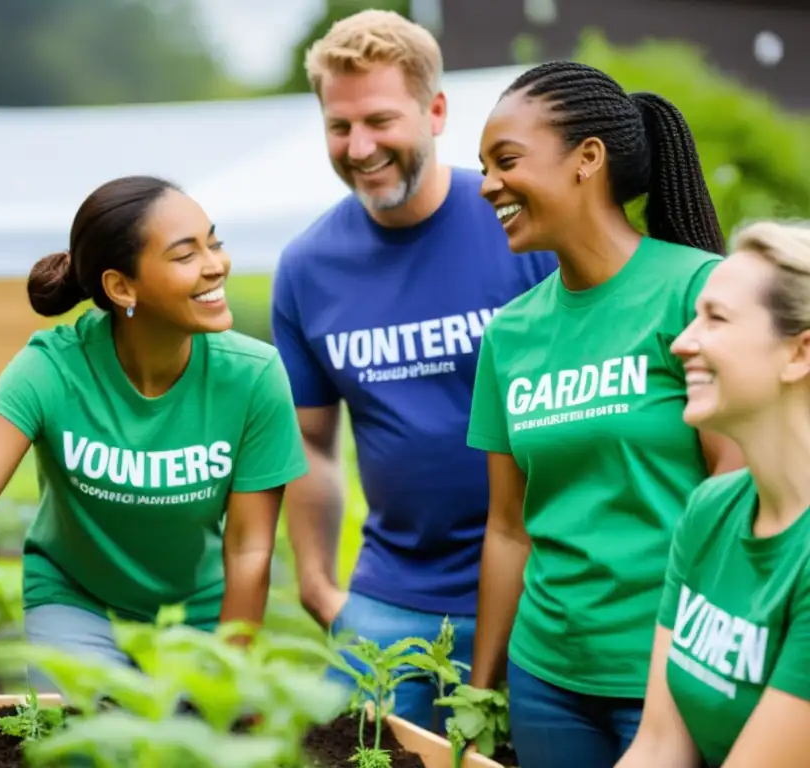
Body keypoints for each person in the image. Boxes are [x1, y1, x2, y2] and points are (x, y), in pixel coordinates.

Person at [0, 175, 309, 684]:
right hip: (76, 602)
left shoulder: (253, 376)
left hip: (198, 609)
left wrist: (233, 668)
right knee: (83, 748)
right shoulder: (52, 368)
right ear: (121, 286)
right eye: (185, 254)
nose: (216, 265)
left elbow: (248, 546)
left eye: (213, 243)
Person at [270, 10, 558, 730]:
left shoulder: (520, 228)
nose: (359, 147)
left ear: (435, 111)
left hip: (543, 584)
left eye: (379, 120)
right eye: (339, 127)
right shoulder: (308, 268)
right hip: (389, 595)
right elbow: (309, 441)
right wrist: (315, 585)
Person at [465, 61, 748, 767]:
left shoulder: (697, 293)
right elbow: (507, 527)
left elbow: (741, 498)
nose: (487, 185)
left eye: (506, 161)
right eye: (483, 167)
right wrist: (481, 688)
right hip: (547, 677)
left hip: (675, 671)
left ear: (587, 159)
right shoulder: (510, 333)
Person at [616, 221, 810, 768]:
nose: (681, 342)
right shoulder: (710, 511)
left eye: (716, 319)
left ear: (799, 354)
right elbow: (658, 747)